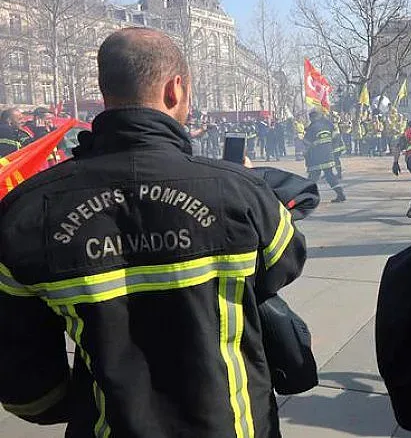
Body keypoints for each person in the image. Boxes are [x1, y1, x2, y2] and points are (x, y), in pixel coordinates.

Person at [0, 28, 307, 436]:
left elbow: (23, 379)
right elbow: (284, 264)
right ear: (175, 89)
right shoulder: (239, 191)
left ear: (104, 90)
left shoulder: (27, 211)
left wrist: (82, 405)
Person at [304, 110, 346, 203]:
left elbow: (306, 143)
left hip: (316, 157)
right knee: (329, 175)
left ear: (312, 118)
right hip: (328, 155)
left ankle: (305, 197)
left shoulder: (312, 128)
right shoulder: (328, 125)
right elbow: (335, 137)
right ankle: (340, 193)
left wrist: (306, 155)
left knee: (313, 177)